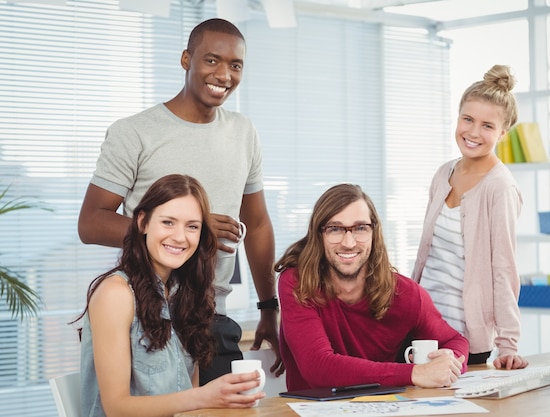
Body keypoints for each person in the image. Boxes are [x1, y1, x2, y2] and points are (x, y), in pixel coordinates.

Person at [76, 18, 281, 384]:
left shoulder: (244, 132)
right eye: (212, 60)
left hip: (211, 314)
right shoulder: (134, 132)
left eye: (235, 65)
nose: (224, 74)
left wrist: (269, 307)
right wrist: (195, 231)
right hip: (150, 310)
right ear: (187, 59)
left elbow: (259, 224)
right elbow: (91, 221)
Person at [75, 174, 265, 417]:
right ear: (142, 223)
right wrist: (204, 397)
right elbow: (116, 408)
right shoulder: (116, 294)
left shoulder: (186, 295)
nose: (179, 236)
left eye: (192, 226)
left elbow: (189, 398)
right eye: (168, 222)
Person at [275, 183, 468, 391]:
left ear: (374, 232)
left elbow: (456, 341)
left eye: (360, 228)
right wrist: (415, 373)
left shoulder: (405, 294)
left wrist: (449, 363)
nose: (348, 243)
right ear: (319, 235)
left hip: (386, 409)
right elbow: (317, 367)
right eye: (335, 229)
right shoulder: (297, 282)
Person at [411, 64, 528, 370]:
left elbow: (504, 269)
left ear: (503, 132)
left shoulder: (499, 187)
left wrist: (508, 344)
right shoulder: (443, 174)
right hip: (422, 330)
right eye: (468, 119)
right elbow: (428, 257)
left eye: (487, 126)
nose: (473, 132)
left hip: (465, 336)